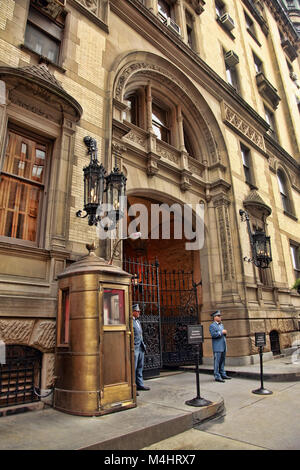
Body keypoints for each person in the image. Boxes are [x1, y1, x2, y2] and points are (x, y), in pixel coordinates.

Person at [132, 304, 150, 393]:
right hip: (135, 348)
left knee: (140, 367)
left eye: (139, 311)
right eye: (137, 311)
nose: (139, 312)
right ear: (133, 312)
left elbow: (140, 334)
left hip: (140, 347)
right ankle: (133, 386)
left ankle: (140, 384)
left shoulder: (138, 321)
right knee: (134, 368)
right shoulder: (130, 322)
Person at [209, 310, 231, 382]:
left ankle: (223, 373)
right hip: (217, 346)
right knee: (217, 362)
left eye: (220, 316)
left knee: (222, 361)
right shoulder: (212, 326)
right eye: (218, 316)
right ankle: (217, 375)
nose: (220, 317)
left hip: (223, 345)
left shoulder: (221, 325)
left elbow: (223, 335)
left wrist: (224, 333)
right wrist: (221, 332)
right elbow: (213, 335)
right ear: (214, 317)